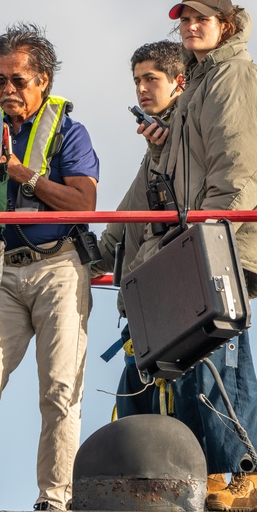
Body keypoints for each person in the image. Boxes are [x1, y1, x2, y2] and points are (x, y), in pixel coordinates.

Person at [131, 0, 257, 512]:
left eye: (202, 19)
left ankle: (240, 477)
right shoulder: (200, 86)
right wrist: (161, 148)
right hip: (198, 246)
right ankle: (213, 476)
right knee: (198, 368)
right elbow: (173, 187)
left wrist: (206, 236)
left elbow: (239, 170)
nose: (192, 27)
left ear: (227, 23)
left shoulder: (234, 78)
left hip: (225, 247)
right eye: (185, 20)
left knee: (224, 365)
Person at [0, 23, 100, 511]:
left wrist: (26, 176)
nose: (6, 91)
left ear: (43, 81)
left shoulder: (68, 130)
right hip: (2, 270)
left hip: (58, 268)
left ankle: (56, 498)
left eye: (16, 81)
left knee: (61, 387)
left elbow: (84, 203)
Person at [93, 40, 185, 419]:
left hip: (176, 306)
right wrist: (73, 257)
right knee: (132, 422)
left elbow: (187, 204)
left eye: (151, 79)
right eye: (137, 81)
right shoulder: (156, 144)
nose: (142, 89)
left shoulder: (186, 133)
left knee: (165, 421)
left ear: (179, 82)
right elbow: (125, 220)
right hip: (145, 308)